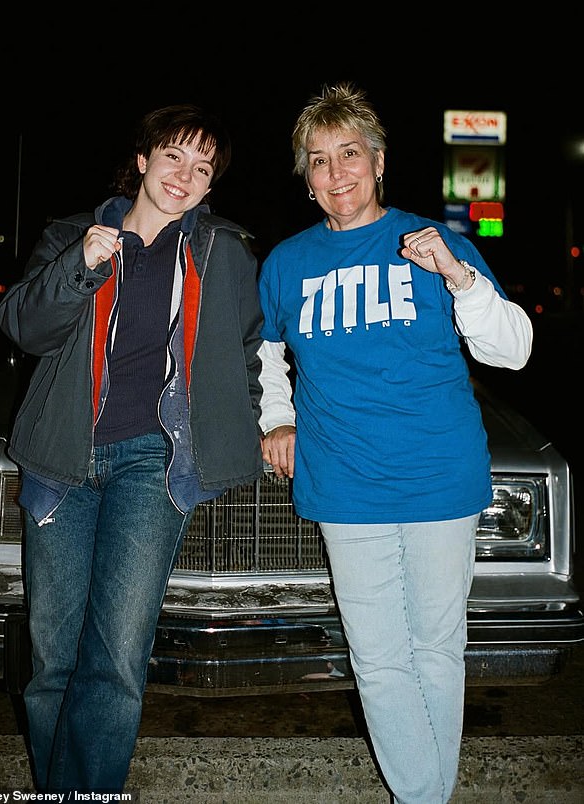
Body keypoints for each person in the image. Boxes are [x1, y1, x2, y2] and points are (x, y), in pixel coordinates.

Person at [257, 82, 533, 803]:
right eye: (318, 160)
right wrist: (276, 421)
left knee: (438, 650)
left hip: (441, 476)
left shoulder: (432, 240)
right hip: (345, 483)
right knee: (378, 658)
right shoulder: (287, 263)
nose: (336, 171)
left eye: (349, 153)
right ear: (306, 179)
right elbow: (263, 355)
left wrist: (458, 275)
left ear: (378, 161)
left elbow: (514, 349)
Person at [0, 104, 265, 794]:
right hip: (62, 461)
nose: (186, 175)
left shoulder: (221, 250)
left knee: (114, 659)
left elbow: (249, 350)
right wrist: (81, 266)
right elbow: (23, 326)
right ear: (143, 160)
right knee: (54, 661)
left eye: (203, 168)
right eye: (175, 156)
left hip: (154, 461)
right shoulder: (70, 236)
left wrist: (250, 422)